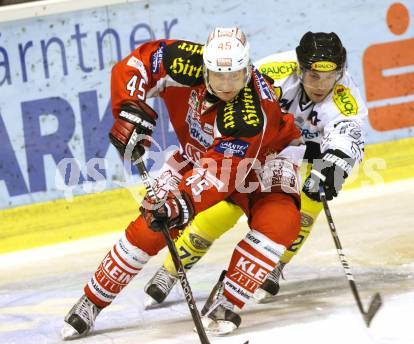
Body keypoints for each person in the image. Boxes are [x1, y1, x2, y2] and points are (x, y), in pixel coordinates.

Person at [61, 27, 304, 339]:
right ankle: (91, 301)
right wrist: (128, 108)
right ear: (204, 68)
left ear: (248, 68)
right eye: (218, 75)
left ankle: (227, 298)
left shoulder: (251, 113)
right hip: (197, 155)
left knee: (281, 221)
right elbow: (136, 63)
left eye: (235, 76)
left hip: (262, 161)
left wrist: (183, 201)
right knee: (152, 225)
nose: (227, 85)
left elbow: (221, 174)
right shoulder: (180, 60)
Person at [144, 31, 367, 308]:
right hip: (261, 146)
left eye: (330, 77)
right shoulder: (273, 72)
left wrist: (334, 167)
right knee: (224, 209)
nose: (322, 85)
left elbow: (349, 133)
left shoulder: (347, 95)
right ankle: (172, 266)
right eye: (313, 76)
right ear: (300, 69)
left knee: (307, 207)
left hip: (310, 151)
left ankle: (272, 263)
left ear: (340, 72)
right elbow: (237, 107)